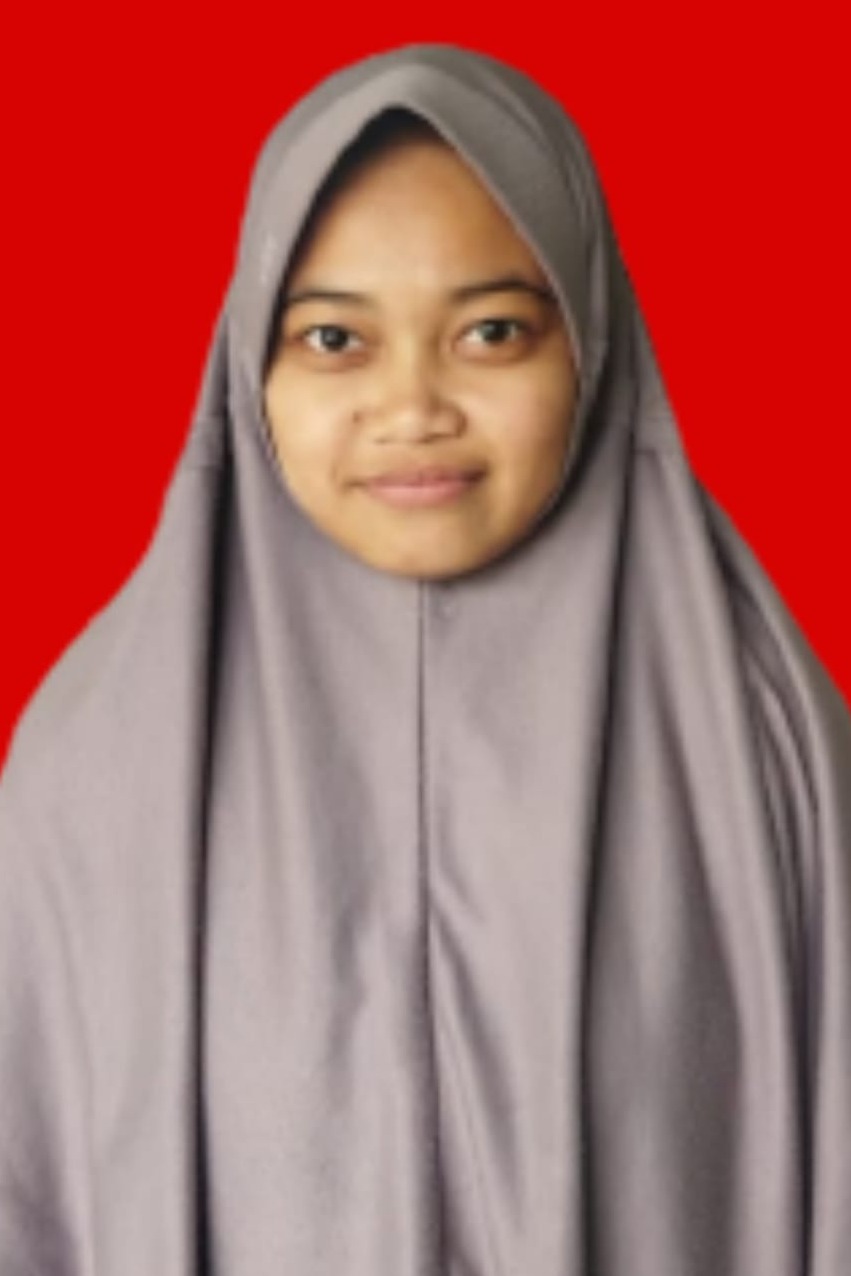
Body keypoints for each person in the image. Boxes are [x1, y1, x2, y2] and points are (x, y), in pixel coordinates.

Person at [1, 41, 850, 1276]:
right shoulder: (94, 764)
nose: (412, 408)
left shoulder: (763, 736)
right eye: (334, 339)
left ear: (589, 342)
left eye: (492, 330)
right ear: (249, 364)